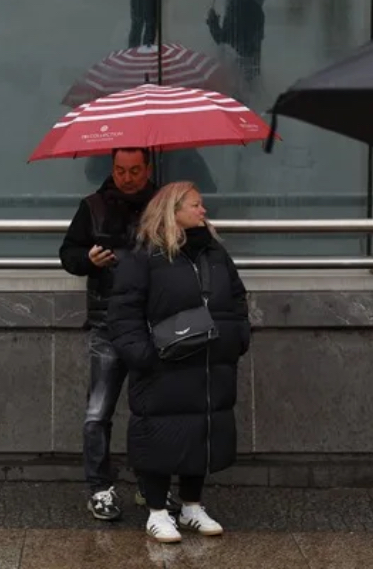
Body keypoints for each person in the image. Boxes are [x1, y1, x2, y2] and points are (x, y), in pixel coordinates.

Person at [106, 181, 251, 543]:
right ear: (172, 211)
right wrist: (143, 356)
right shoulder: (145, 256)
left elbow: (236, 298)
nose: (203, 211)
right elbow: (124, 313)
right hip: (163, 365)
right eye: (195, 205)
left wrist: (237, 338)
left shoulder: (214, 253)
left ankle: (191, 506)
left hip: (210, 363)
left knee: (200, 432)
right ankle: (157, 511)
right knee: (160, 436)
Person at [59, 148, 161, 521]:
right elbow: (68, 253)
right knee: (97, 411)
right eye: (120, 170)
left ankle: (152, 486)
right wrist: (88, 260)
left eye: (134, 170)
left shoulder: (163, 205)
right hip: (107, 322)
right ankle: (99, 487)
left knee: (151, 411)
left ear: (147, 169)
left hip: (152, 322)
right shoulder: (93, 206)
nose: (127, 177)